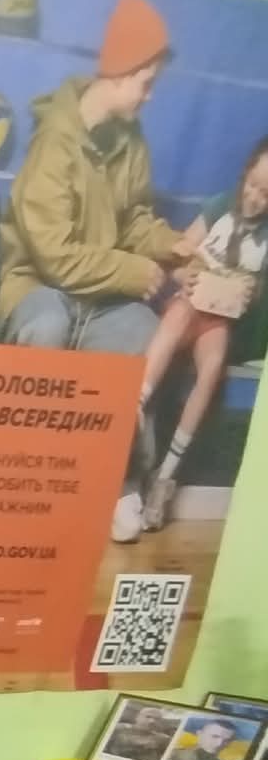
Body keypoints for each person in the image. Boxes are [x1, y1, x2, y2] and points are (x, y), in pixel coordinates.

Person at [0, 0, 194, 542]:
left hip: (98, 302)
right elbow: (54, 258)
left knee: (143, 331)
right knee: (46, 325)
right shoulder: (53, 144)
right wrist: (134, 272)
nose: (150, 96)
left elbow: (133, 221)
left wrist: (176, 246)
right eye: (147, 84)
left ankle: (121, 483)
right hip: (40, 289)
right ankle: (15, 482)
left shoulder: (131, 142)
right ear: (121, 74)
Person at [133, 138, 268, 531]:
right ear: (244, 175)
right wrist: (183, 275)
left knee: (212, 368)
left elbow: (258, 302)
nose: (255, 198)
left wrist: (252, 293)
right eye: (253, 185)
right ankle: (134, 405)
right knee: (177, 315)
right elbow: (178, 255)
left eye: (266, 194)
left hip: (220, 319)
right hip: (190, 304)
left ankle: (165, 478)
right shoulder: (219, 206)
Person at [164, 718, 243, 760]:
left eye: (227, 740)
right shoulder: (172, 755)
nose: (219, 744)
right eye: (215, 736)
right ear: (199, 734)